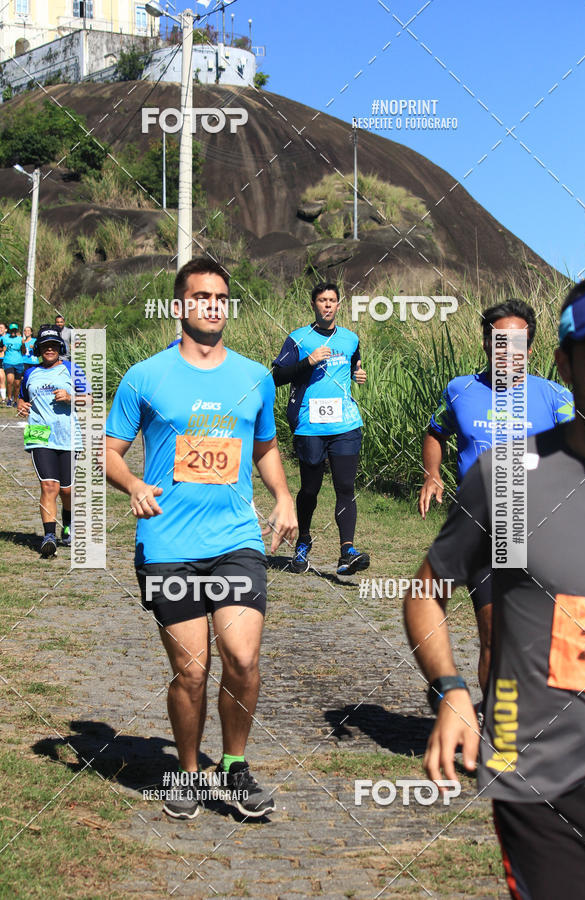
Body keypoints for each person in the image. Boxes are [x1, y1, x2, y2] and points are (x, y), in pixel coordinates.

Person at [404, 276, 585, 900]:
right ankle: (493, 712)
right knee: (505, 626)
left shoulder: (550, 398)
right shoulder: (487, 436)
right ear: (569, 364)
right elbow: (425, 588)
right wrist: (452, 690)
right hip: (549, 782)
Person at [105, 257, 297, 821]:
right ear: (179, 305)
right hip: (168, 544)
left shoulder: (254, 376)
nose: (212, 305)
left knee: (241, 657)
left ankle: (235, 767)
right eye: (201, 297)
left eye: (220, 297)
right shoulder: (145, 376)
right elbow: (108, 453)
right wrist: (135, 484)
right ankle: (187, 772)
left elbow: (264, 448)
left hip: (235, 539)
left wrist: (283, 497)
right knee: (192, 671)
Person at [419, 299, 574, 690]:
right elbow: (436, 432)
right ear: (486, 343)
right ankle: (495, 732)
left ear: (530, 347)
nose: (507, 349)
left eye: (516, 341)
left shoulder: (555, 398)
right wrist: (432, 474)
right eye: (498, 340)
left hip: (542, 531)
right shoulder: (461, 390)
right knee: (493, 632)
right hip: (484, 528)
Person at [272, 282, 370, 576]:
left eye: (332, 301)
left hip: (345, 424)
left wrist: (358, 374)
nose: (328, 305)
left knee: (345, 487)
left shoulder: (350, 338)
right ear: (314, 305)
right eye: (322, 301)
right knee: (311, 489)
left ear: (339, 305)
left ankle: (347, 552)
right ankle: (303, 542)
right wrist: (308, 361)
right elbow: (277, 376)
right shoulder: (299, 338)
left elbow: (354, 363)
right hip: (309, 426)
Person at [17, 325, 80, 557]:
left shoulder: (73, 370)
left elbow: (92, 399)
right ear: (39, 349)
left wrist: (71, 397)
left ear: (60, 347)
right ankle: (49, 537)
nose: (50, 349)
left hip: (68, 435)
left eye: (53, 345)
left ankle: (68, 525)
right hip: (39, 434)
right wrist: (20, 405)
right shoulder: (30, 373)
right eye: (45, 346)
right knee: (48, 485)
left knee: (67, 490)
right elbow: (22, 397)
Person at [1, 322, 25, 407]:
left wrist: (23, 345)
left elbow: (24, 352)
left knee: (17, 384)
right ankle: (9, 399)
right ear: (9, 330)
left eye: (15, 330)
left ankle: (15, 400)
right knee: (10, 380)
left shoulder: (20, 339)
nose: (13, 332)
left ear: (17, 330)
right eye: (12, 330)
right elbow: (0, 348)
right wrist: (2, 349)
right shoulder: (4, 338)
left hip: (18, 362)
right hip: (8, 361)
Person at [0, 322, 7, 402]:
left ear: (5, 329)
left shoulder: (9, 337)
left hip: (10, 360)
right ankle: (3, 398)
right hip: (0, 359)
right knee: (1, 378)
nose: (0, 329)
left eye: (1, 327)